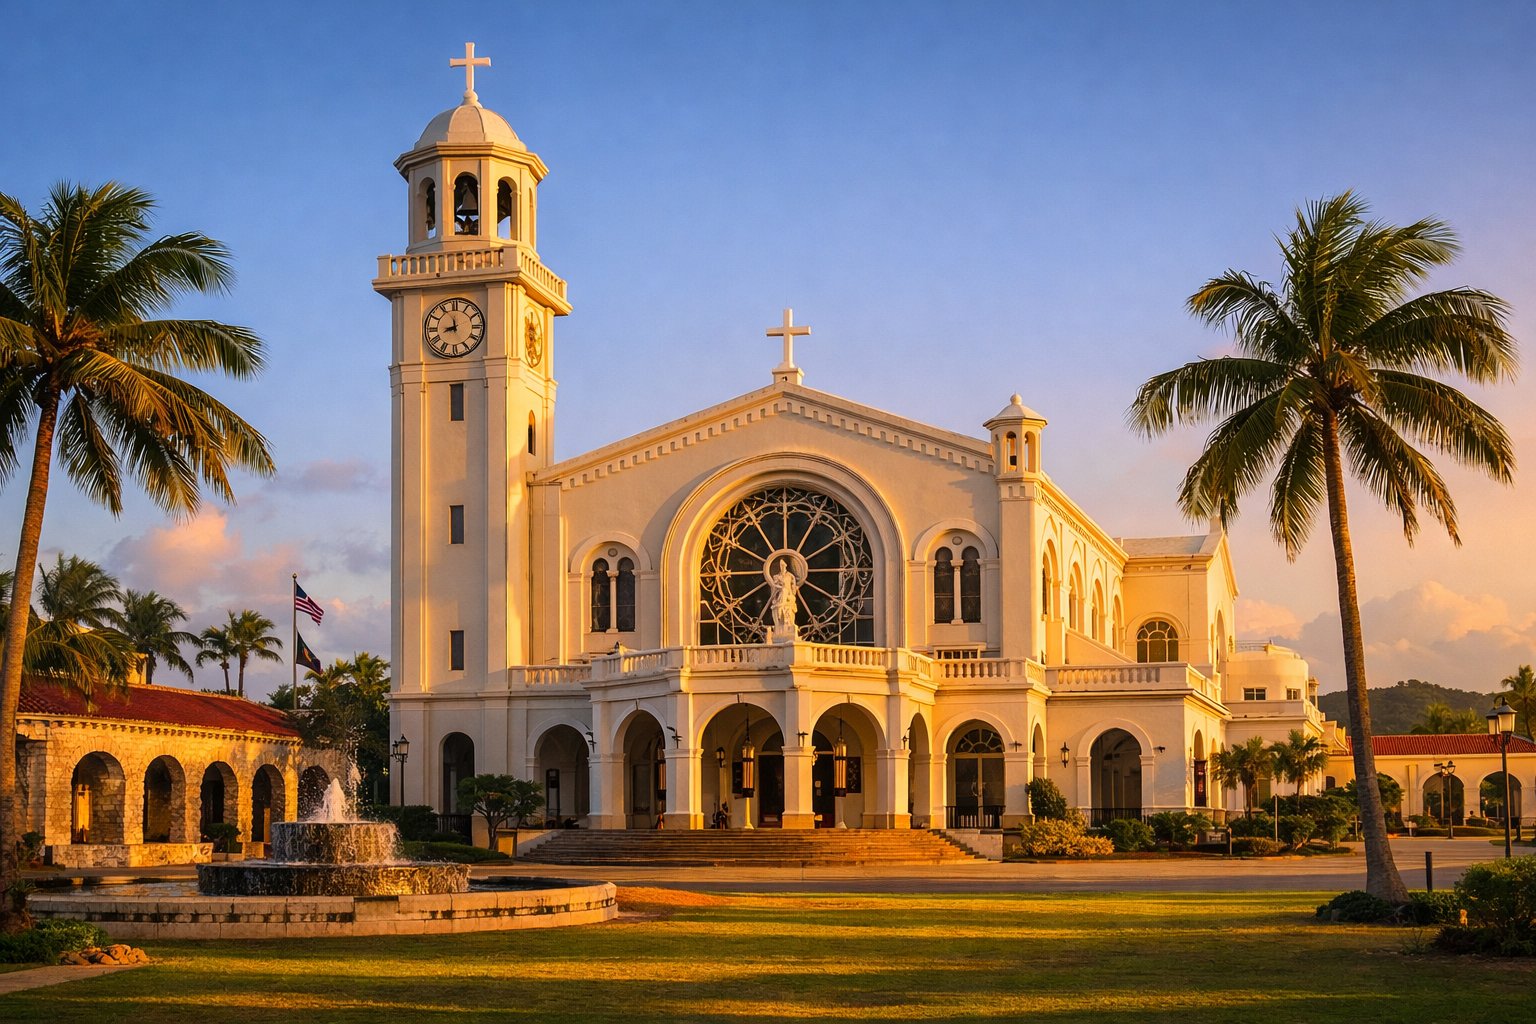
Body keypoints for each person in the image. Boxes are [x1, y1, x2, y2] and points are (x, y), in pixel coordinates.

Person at [769, 559, 799, 638]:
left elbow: (793, 588)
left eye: (783, 565)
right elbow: (774, 587)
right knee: (783, 590)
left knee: (785, 591)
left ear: (786, 565)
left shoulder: (790, 576)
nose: (781, 567)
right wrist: (780, 588)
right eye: (780, 565)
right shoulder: (776, 576)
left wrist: (792, 593)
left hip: (788, 597)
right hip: (780, 596)